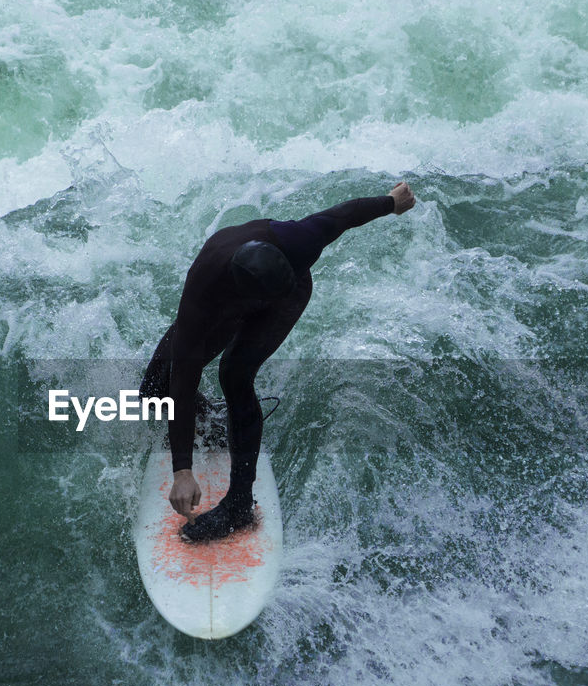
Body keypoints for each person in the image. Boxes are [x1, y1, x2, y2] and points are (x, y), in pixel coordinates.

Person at [140, 181, 416, 541]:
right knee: (155, 388)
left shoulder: (300, 239)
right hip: (233, 294)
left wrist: (391, 202)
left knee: (234, 374)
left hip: (288, 287)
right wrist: (182, 470)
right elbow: (183, 378)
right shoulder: (202, 298)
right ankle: (213, 426)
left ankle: (239, 507)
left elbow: (342, 215)